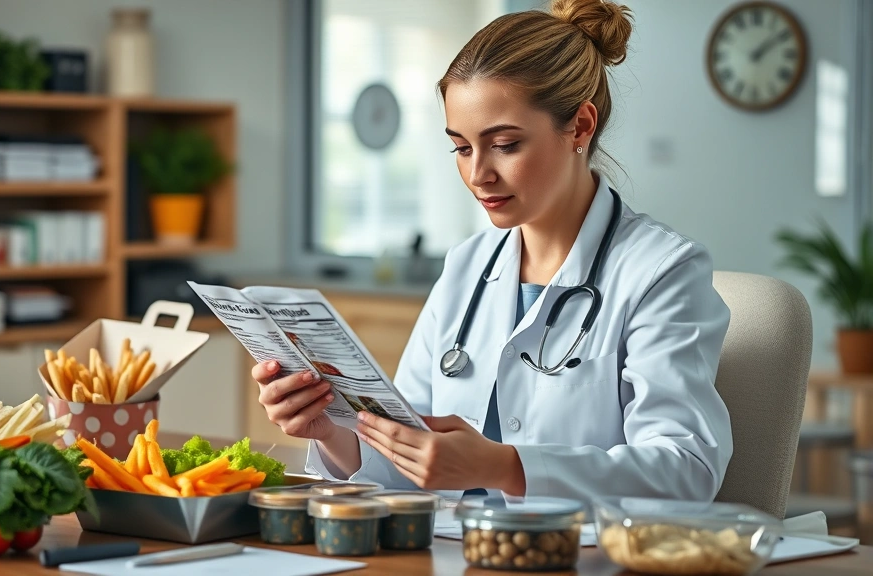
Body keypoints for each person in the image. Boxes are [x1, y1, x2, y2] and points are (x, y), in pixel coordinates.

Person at [253, 0, 732, 505]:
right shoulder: (467, 266)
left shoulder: (661, 271)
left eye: (504, 144)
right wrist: (331, 430)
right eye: (461, 148)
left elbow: (687, 468)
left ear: (581, 127)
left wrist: (507, 467)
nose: (478, 173)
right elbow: (407, 454)